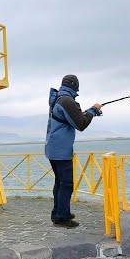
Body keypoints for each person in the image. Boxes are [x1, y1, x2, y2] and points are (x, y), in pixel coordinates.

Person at [45, 75, 102, 228]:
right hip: (61, 150)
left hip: (52, 148)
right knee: (67, 184)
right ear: (75, 86)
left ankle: (59, 213)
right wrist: (93, 110)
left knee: (59, 182)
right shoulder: (67, 101)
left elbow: (72, 118)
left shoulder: (59, 98)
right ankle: (62, 218)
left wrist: (90, 111)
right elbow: (81, 124)